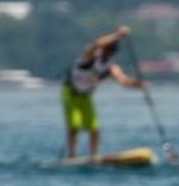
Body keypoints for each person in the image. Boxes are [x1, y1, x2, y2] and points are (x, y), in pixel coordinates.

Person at [61, 25, 146, 159]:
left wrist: (138, 85)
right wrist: (118, 35)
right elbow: (98, 42)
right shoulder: (89, 56)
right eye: (107, 50)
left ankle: (94, 155)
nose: (108, 53)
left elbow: (123, 81)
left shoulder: (111, 67)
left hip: (85, 95)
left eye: (111, 51)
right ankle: (72, 155)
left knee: (94, 128)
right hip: (70, 92)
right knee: (75, 125)